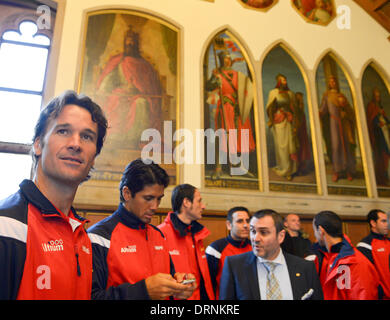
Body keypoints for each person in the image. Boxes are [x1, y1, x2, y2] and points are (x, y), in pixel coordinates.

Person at [0, 90, 108, 299]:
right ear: (38, 144)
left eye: (86, 136)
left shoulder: (82, 235)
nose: (76, 144)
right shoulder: (7, 227)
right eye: (63, 131)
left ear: (94, 157)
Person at [87, 159, 196, 300]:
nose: (155, 206)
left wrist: (179, 287)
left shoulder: (159, 235)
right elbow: (91, 296)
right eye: (148, 198)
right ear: (127, 193)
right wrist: (143, 291)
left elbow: (169, 284)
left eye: (159, 199)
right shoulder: (98, 238)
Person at [219, 209, 323, 300]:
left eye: (263, 232)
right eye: (253, 231)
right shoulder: (235, 266)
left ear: (281, 236)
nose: (255, 238)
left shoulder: (305, 268)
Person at [96, 27, 163, 149]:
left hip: (138, 95)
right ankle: (117, 139)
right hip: (120, 93)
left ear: (136, 44)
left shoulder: (145, 66)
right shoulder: (118, 62)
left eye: (132, 42)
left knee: (141, 103)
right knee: (116, 99)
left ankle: (133, 139)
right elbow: (108, 81)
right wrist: (113, 89)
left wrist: (137, 89)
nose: (130, 44)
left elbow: (151, 87)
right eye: (128, 42)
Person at [158, 184, 215, 300]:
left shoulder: (197, 233)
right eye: (199, 201)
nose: (203, 206)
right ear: (186, 202)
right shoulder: (161, 234)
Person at [205, 50, 256, 177]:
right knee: (224, 135)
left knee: (238, 136)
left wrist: (242, 104)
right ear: (221, 59)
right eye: (225, 58)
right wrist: (214, 80)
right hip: (225, 106)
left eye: (229, 58)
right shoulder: (217, 73)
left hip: (237, 108)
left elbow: (246, 91)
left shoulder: (237, 75)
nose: (227, 60)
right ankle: (218, 167)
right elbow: (208, 87)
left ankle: (238, 166)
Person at [309, 210, 380, 300]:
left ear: (321, 231)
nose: (315, 235)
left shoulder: (357, 262)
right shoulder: (321, 257)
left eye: (314, 230)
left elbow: (364, 296)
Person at [205, 206, 252, 298]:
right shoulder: (215, 249)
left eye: (248, 221)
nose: (246, 225)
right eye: (240, 221)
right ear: (229, 225)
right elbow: (208, 285)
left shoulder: (256, 248)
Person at [319, 76, 356, 182]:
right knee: (336, 146)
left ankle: (348, 170)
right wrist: (318, 113)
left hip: (344, 123)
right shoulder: (327, 96)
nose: (333, 83)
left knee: (346, 146)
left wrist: (346, 113)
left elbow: (349, 109)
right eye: (330, 82)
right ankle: (337, 171)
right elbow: (323, 109)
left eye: (334, 81)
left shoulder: (341, 95)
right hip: (333, 122)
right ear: (329, 84)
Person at [266, 74, 298, 181]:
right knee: (281, 146)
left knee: (289, 145)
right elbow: (270, 108)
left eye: (285, 80)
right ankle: (283, 168)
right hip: (278, 121)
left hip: (288, 121)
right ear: (279, 81)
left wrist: (292, 118)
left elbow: (294, 108)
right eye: (283, 80)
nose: (285, 82)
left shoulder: (290, 94)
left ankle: (290, 170)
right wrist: (272, 119)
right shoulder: (273, 93)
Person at [357, 209, 390, 299]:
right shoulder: (364, 245)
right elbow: (366, 276)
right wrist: (380, 292)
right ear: (373, 223)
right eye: (383, 221)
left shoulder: (389, 242)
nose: (387, 224)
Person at [366, 88, 390, 186]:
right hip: (378, 137)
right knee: (382, 156)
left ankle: (386, 176)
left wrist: (386, 122)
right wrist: (378, 123)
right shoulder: (371, 106)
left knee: (387, 155)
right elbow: (371, 120)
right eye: (376, 96)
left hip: (385, 134)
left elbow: (385, 119)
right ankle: (381, 178)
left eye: (378, 96)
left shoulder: (380, 107)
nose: (377, 98)